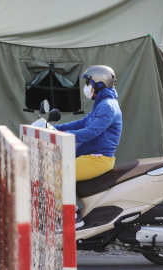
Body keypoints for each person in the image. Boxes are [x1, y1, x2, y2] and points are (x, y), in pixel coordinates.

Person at [54, 65, 122, 228]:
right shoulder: (101, 103)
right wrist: (55, 128)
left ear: (99, 84)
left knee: (56, 173)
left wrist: (63, 136)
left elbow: (92, 132)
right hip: (90, 156)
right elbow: (83, 122)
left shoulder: (108, 106)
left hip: (98, 159)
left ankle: (72, 217)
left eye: (88, 83)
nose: (86, 87)